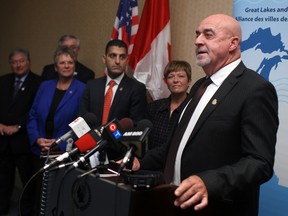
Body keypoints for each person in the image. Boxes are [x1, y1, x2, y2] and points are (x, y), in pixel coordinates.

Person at [134, 14, 279, 216]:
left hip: (217, 208)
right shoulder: (199, 87)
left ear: (233, 43)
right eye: (197, 34)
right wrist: (140, 162)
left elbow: (259, 163)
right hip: (174, 203)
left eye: (208, 35)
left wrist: (208, 182)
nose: (198, 41)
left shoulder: (255, 89)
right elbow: (177, 144)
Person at [79, 39, 147, 160]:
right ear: (104, 59)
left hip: (118, 155)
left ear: (126, 60)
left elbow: (136, 125)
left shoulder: (137, 88)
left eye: (122, 57)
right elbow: (83, 119)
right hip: (90, 152)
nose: (117, 61)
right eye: (112, 56)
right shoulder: (91, 86)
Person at [0, 48, 41, 215]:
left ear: (28, 62)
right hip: (2, 140)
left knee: (27, 180)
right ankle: (2, 208)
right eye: (14, 62)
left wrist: (17, 126)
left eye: (21, 61)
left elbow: (36, 110)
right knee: (3, 179)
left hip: (24, 141)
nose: (18, 65)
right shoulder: (2, 81)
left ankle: (26, 211)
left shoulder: (39, 83)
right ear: (10, 64)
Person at [27, 47, 86, 156]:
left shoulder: (83, 89)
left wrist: (59, 143)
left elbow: (83, 125)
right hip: (40, 150)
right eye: (62, 63)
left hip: (65, 152)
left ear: (74, 66)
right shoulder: (45, 86)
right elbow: (33, 116)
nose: (67, 66)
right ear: (55, 67)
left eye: (70, 62)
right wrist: (37, 139)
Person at [147, 60, 191, 150]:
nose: (175, 80)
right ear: (166, 82)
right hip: (154, 161)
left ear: (189, 81)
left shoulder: (195, 107)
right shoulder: (154, 107)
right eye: (171, 76)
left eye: (181, 76)